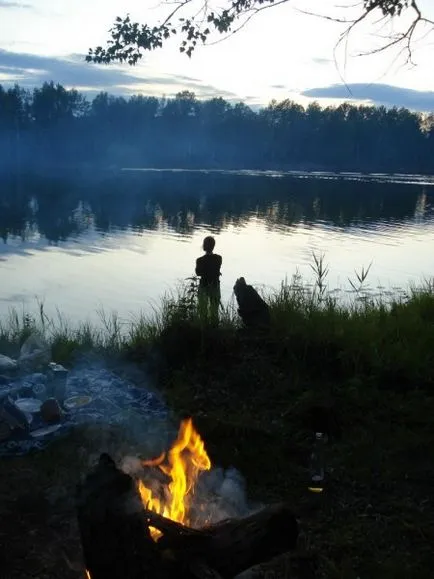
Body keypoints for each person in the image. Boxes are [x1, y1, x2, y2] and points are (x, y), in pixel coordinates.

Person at [195, 236, 222, 322]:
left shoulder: (199, 260)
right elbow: (216, 270)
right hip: (215, 285)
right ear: (213, 246)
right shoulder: (219, 258)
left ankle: (204, 329)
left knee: (203, 311)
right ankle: (214, 329)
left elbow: (198, 273)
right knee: (214, 311)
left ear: (204, 246)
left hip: (203, 286)